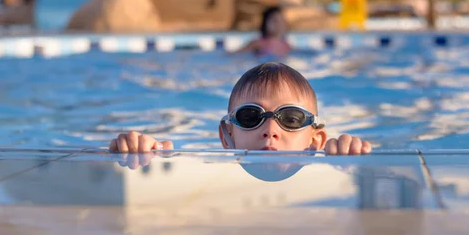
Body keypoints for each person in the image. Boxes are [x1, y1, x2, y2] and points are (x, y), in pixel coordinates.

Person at [109, 62, 372, 158]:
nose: (270, 131)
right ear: (227, 136)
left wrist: (349, 159)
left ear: (316, 140)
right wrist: (139, 152)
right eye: (251, 117)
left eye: (290, 118)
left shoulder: (332, 168)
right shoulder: (205, 167)